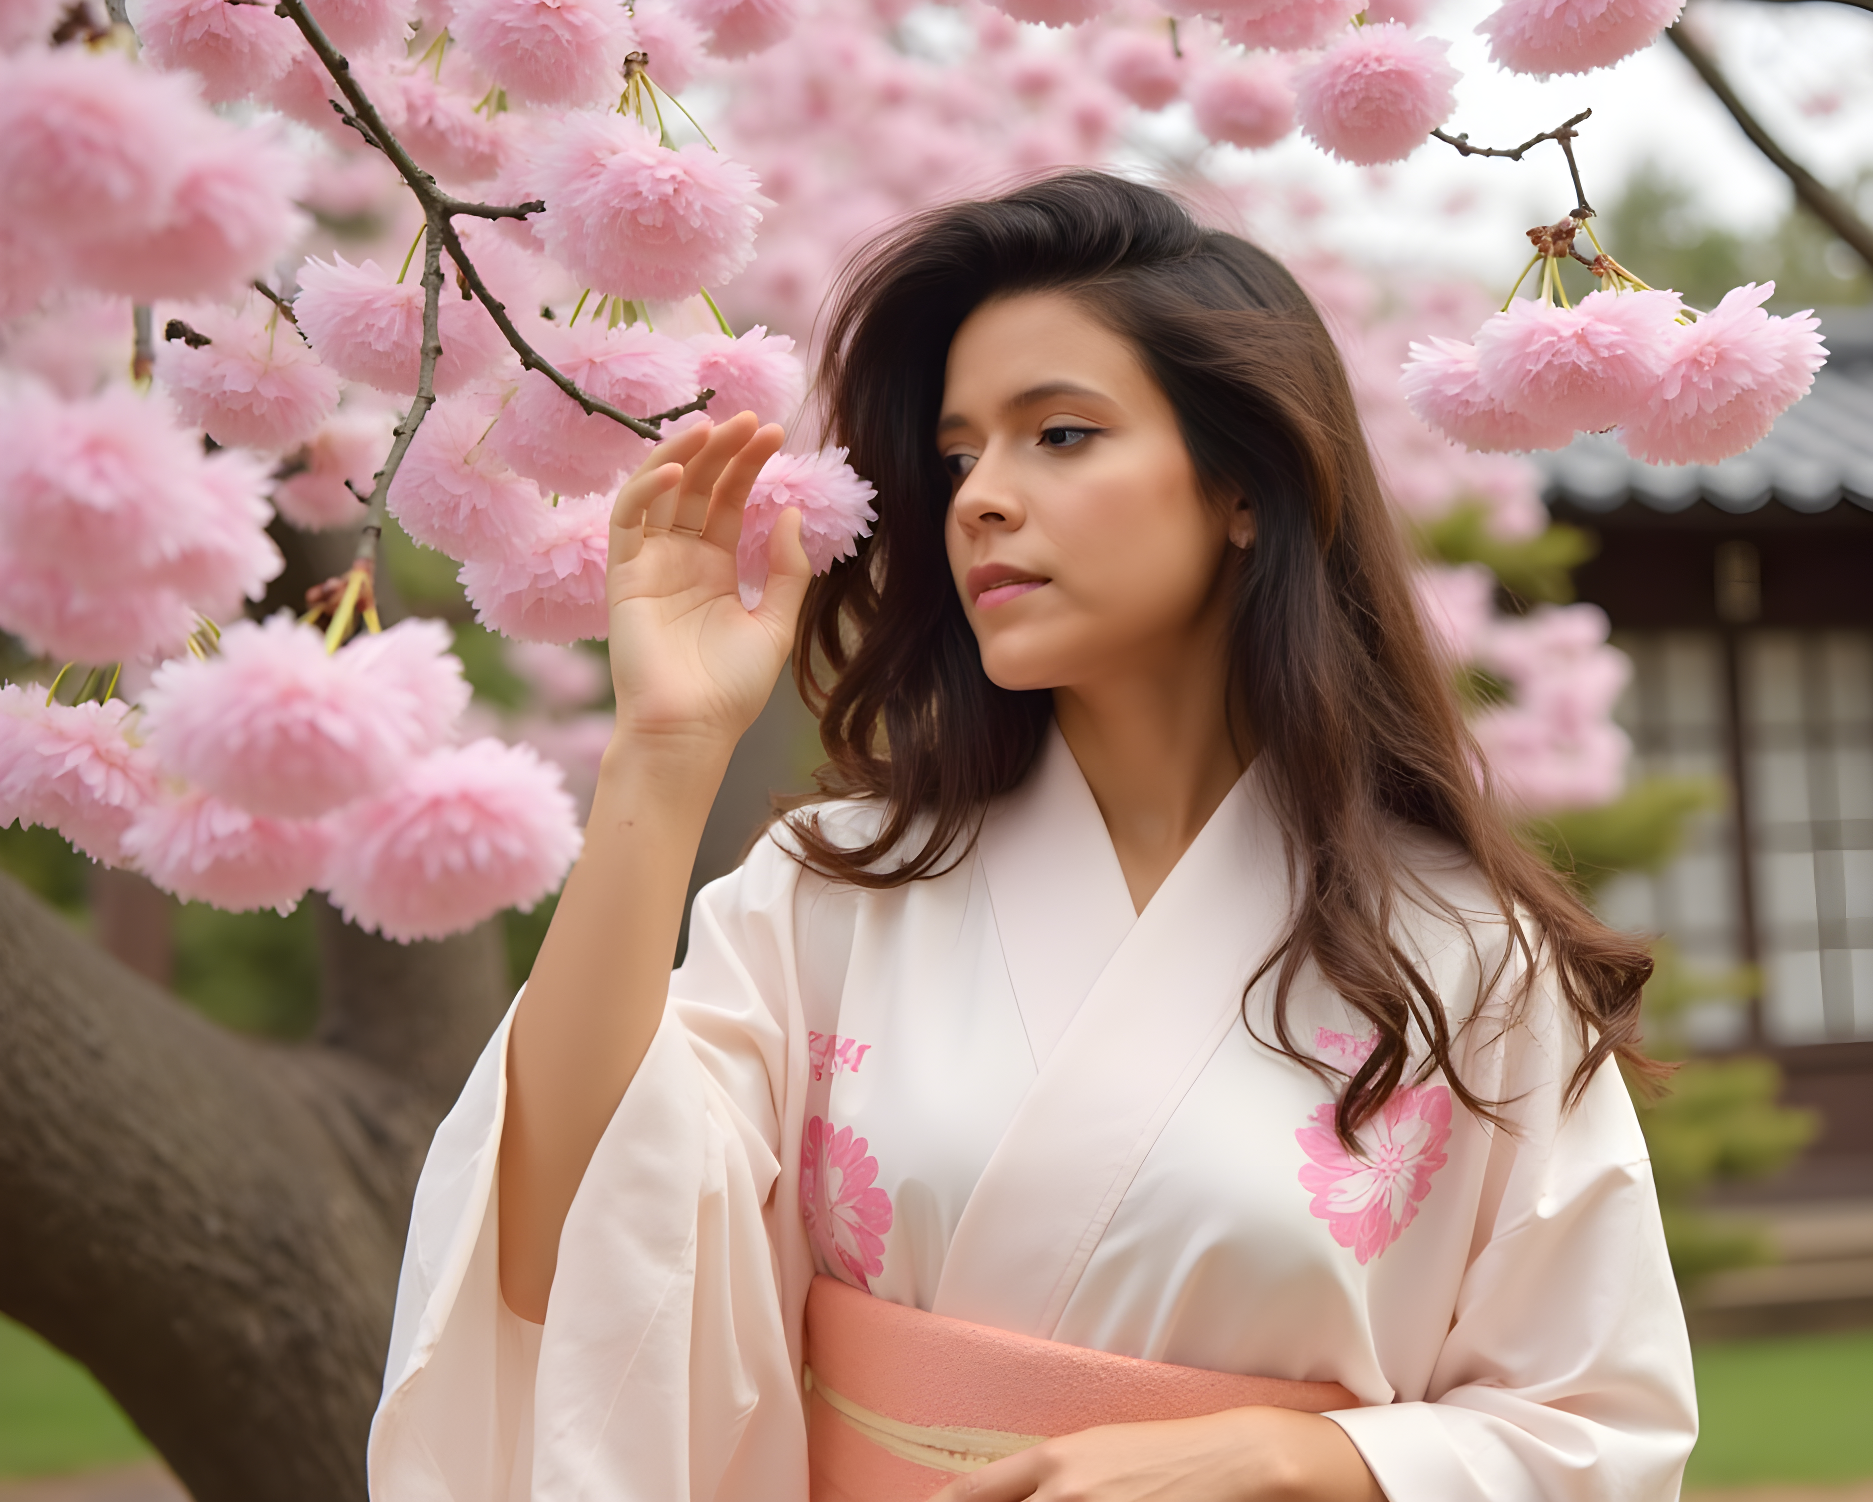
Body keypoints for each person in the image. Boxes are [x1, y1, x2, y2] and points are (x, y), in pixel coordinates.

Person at [367, 171, 1697, 1502]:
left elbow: (1597, 1427)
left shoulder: (1466, 954)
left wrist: (1300, 1455)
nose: (981, 499)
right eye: (957, 456)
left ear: (1244, 484)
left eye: (1058, 435)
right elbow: (567, 1248)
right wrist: (662, 751)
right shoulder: (829, 896)